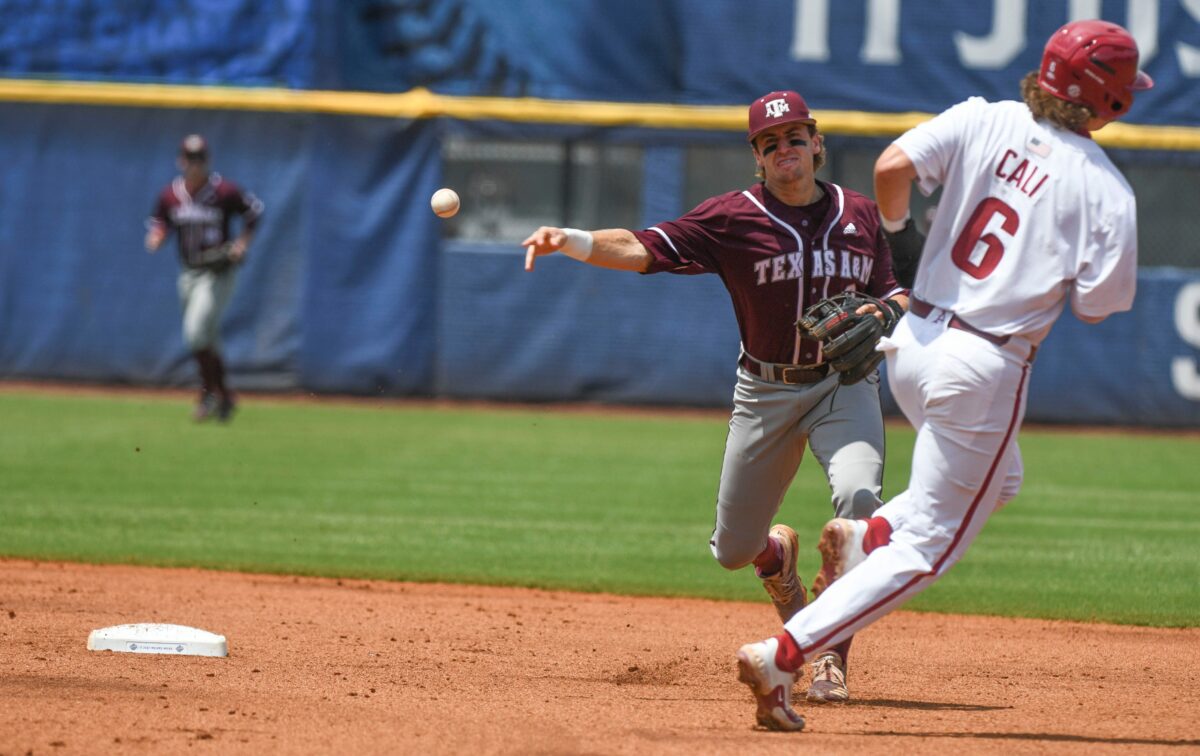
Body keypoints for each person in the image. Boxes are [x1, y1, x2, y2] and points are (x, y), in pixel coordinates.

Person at [733, 19, 1148, 731]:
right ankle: (784, 653)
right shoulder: (1108, 191)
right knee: (929, 548)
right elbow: (1099, 308)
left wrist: (902, 238)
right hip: (983, 366)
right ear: (1109, 102)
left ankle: (869, 536)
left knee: (1002, 476)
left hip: (914, 344)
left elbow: (892, 167)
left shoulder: (984, 117)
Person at [523, 90, 909, 703]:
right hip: (767, 391)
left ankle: (830, 652)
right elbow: (646, 245)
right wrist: (571, 239)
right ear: (758, 157)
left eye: (795, 137)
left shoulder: (858, 213)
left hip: (844, 385)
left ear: (818, 144)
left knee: (860, 504)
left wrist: (888, 311)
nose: (785, 149)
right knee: (733, 549)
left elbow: (897, 291)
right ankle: (778, 566)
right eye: (770, 142)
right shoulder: (734, 217)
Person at [145, 134, 264, 422]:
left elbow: (255, 212)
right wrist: (157, 236)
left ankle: (208, 394)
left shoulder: (224, 191)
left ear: (207, 160)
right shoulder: (170, 195)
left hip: (217, 272)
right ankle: (223, 395)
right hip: (188, 271)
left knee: (196, 331)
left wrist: (242, 244)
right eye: (190, 158)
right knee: (207, 338)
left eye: (200, 158)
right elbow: (159, 225)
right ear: (180, 160)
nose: (195, 165)